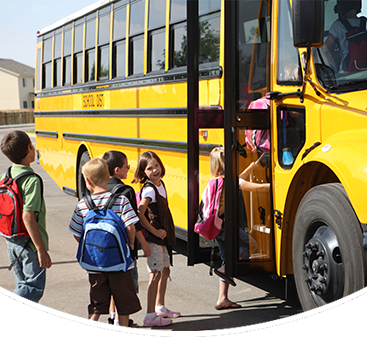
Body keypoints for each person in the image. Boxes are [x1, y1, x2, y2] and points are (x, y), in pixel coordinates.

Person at [69, 158, 141, 330]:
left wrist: (89, 247)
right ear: (109, 176)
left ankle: (89, 329)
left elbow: (76, 232)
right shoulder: (121, 200)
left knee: (96, 303)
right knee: (123, 303)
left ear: (87, 181)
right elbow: (131, 227)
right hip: (120, 264)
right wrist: (130, 244)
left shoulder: (82, 204)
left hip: (95, 265)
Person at [0, 130, 52, 331]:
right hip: (29, 245)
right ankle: (2, 318)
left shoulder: (5, 176)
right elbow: (28, 217)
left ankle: (30, 330)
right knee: (33, 289)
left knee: (24, 291)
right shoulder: (31, 180)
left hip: (11, 242)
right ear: (30, 148)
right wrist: (41, 249)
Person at [208, 147, 270, 310]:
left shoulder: (216, 181)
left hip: (216, 227)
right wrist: (275, 186)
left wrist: (250, 168)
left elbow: (239, 180)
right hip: (227, 227)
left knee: (226, 257)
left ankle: (222, 298)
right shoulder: (230, 181)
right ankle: (226, 268)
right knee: (252, 245)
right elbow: (254, 187)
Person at [102, 150, 151, 326]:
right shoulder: (126, 190)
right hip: (124, 248)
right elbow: (133, 223)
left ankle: (112, 316)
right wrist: (142, 244)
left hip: (104, 248)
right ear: (117, 170)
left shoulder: (99, 187)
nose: (129, 169)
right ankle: (121, 322)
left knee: (113, 284)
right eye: (126, 167)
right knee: (127, 287)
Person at [132, 151, 180, 327]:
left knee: (165, 271)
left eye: (156, 166)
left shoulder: (160, 184)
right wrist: (155, 231)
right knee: (155, 274)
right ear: (143, 172)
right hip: (155, 238)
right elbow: (139, 213)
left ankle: (160, 307)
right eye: (149, 168)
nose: (154, 170)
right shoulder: (150, 189)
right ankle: (149, 315)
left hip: (163, 238)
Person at [323, 0, 364, 72]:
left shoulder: (338, 25)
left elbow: (324, 49)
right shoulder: (365, 23)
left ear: (341, 8)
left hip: (347, 71)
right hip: (364, 69)